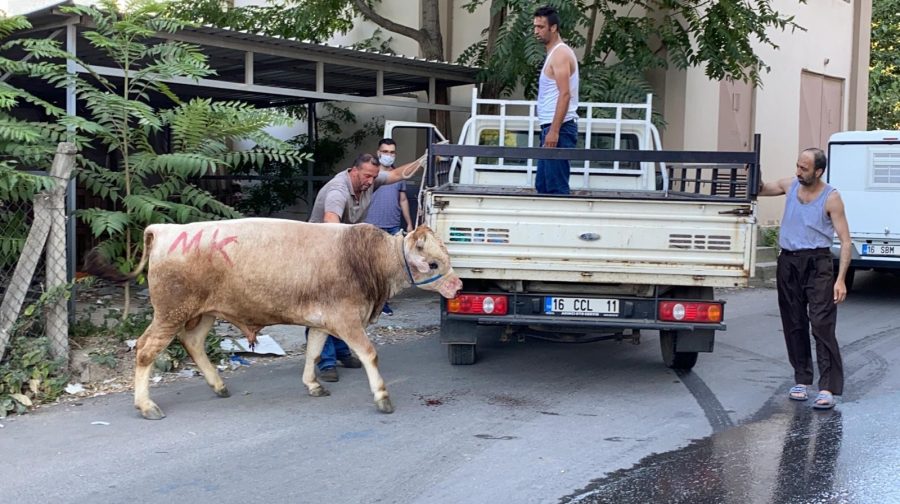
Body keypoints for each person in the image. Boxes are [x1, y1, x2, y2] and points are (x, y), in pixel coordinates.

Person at [307, 152, 425, 381]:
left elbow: (396, 174)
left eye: (373, 177)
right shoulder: (337, 190)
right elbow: (331, 223)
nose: (370, 181)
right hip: (321, 251)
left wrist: (424, 160)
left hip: (343, 249)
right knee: (325, 306)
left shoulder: (369, 180)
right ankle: (325, 361)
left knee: (345, 304)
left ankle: (341, 352)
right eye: (366, 176)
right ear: (353, 171)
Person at [758, 147, 851, 410]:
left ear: (818, 171)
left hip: (818, 263)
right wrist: (754, 171)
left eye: (804, 168)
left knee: (821, 324)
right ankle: (802, 379)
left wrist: (840, 279)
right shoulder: (790, 186)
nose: (798, 172)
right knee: (794, 321)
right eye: (797, 166)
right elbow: (763, 188)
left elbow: (845, 241)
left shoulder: (831, 198)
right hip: (788, 262)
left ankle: (828, 387)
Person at [365, 138, 415, 316]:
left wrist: (409, 223)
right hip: (371, 226)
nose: (389, 155)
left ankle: (382, 304)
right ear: (378, 153)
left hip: (393, 226)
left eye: (392, 152)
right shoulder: (371, 174)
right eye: (385, 152)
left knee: (389, 269)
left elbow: (403, 200)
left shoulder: (398, 175)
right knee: (371, 267)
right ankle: (368, 302)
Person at [533, 5, 579, 195]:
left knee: (556, 189)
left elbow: (565, 94)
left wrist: (554, 131)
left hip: (559, 127)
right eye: (535, 27)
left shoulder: (560, 54)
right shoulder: (554, 53)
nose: (536, 31)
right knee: (543, 187)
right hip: (551, 127)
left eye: (541, 27)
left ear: (553, 28)